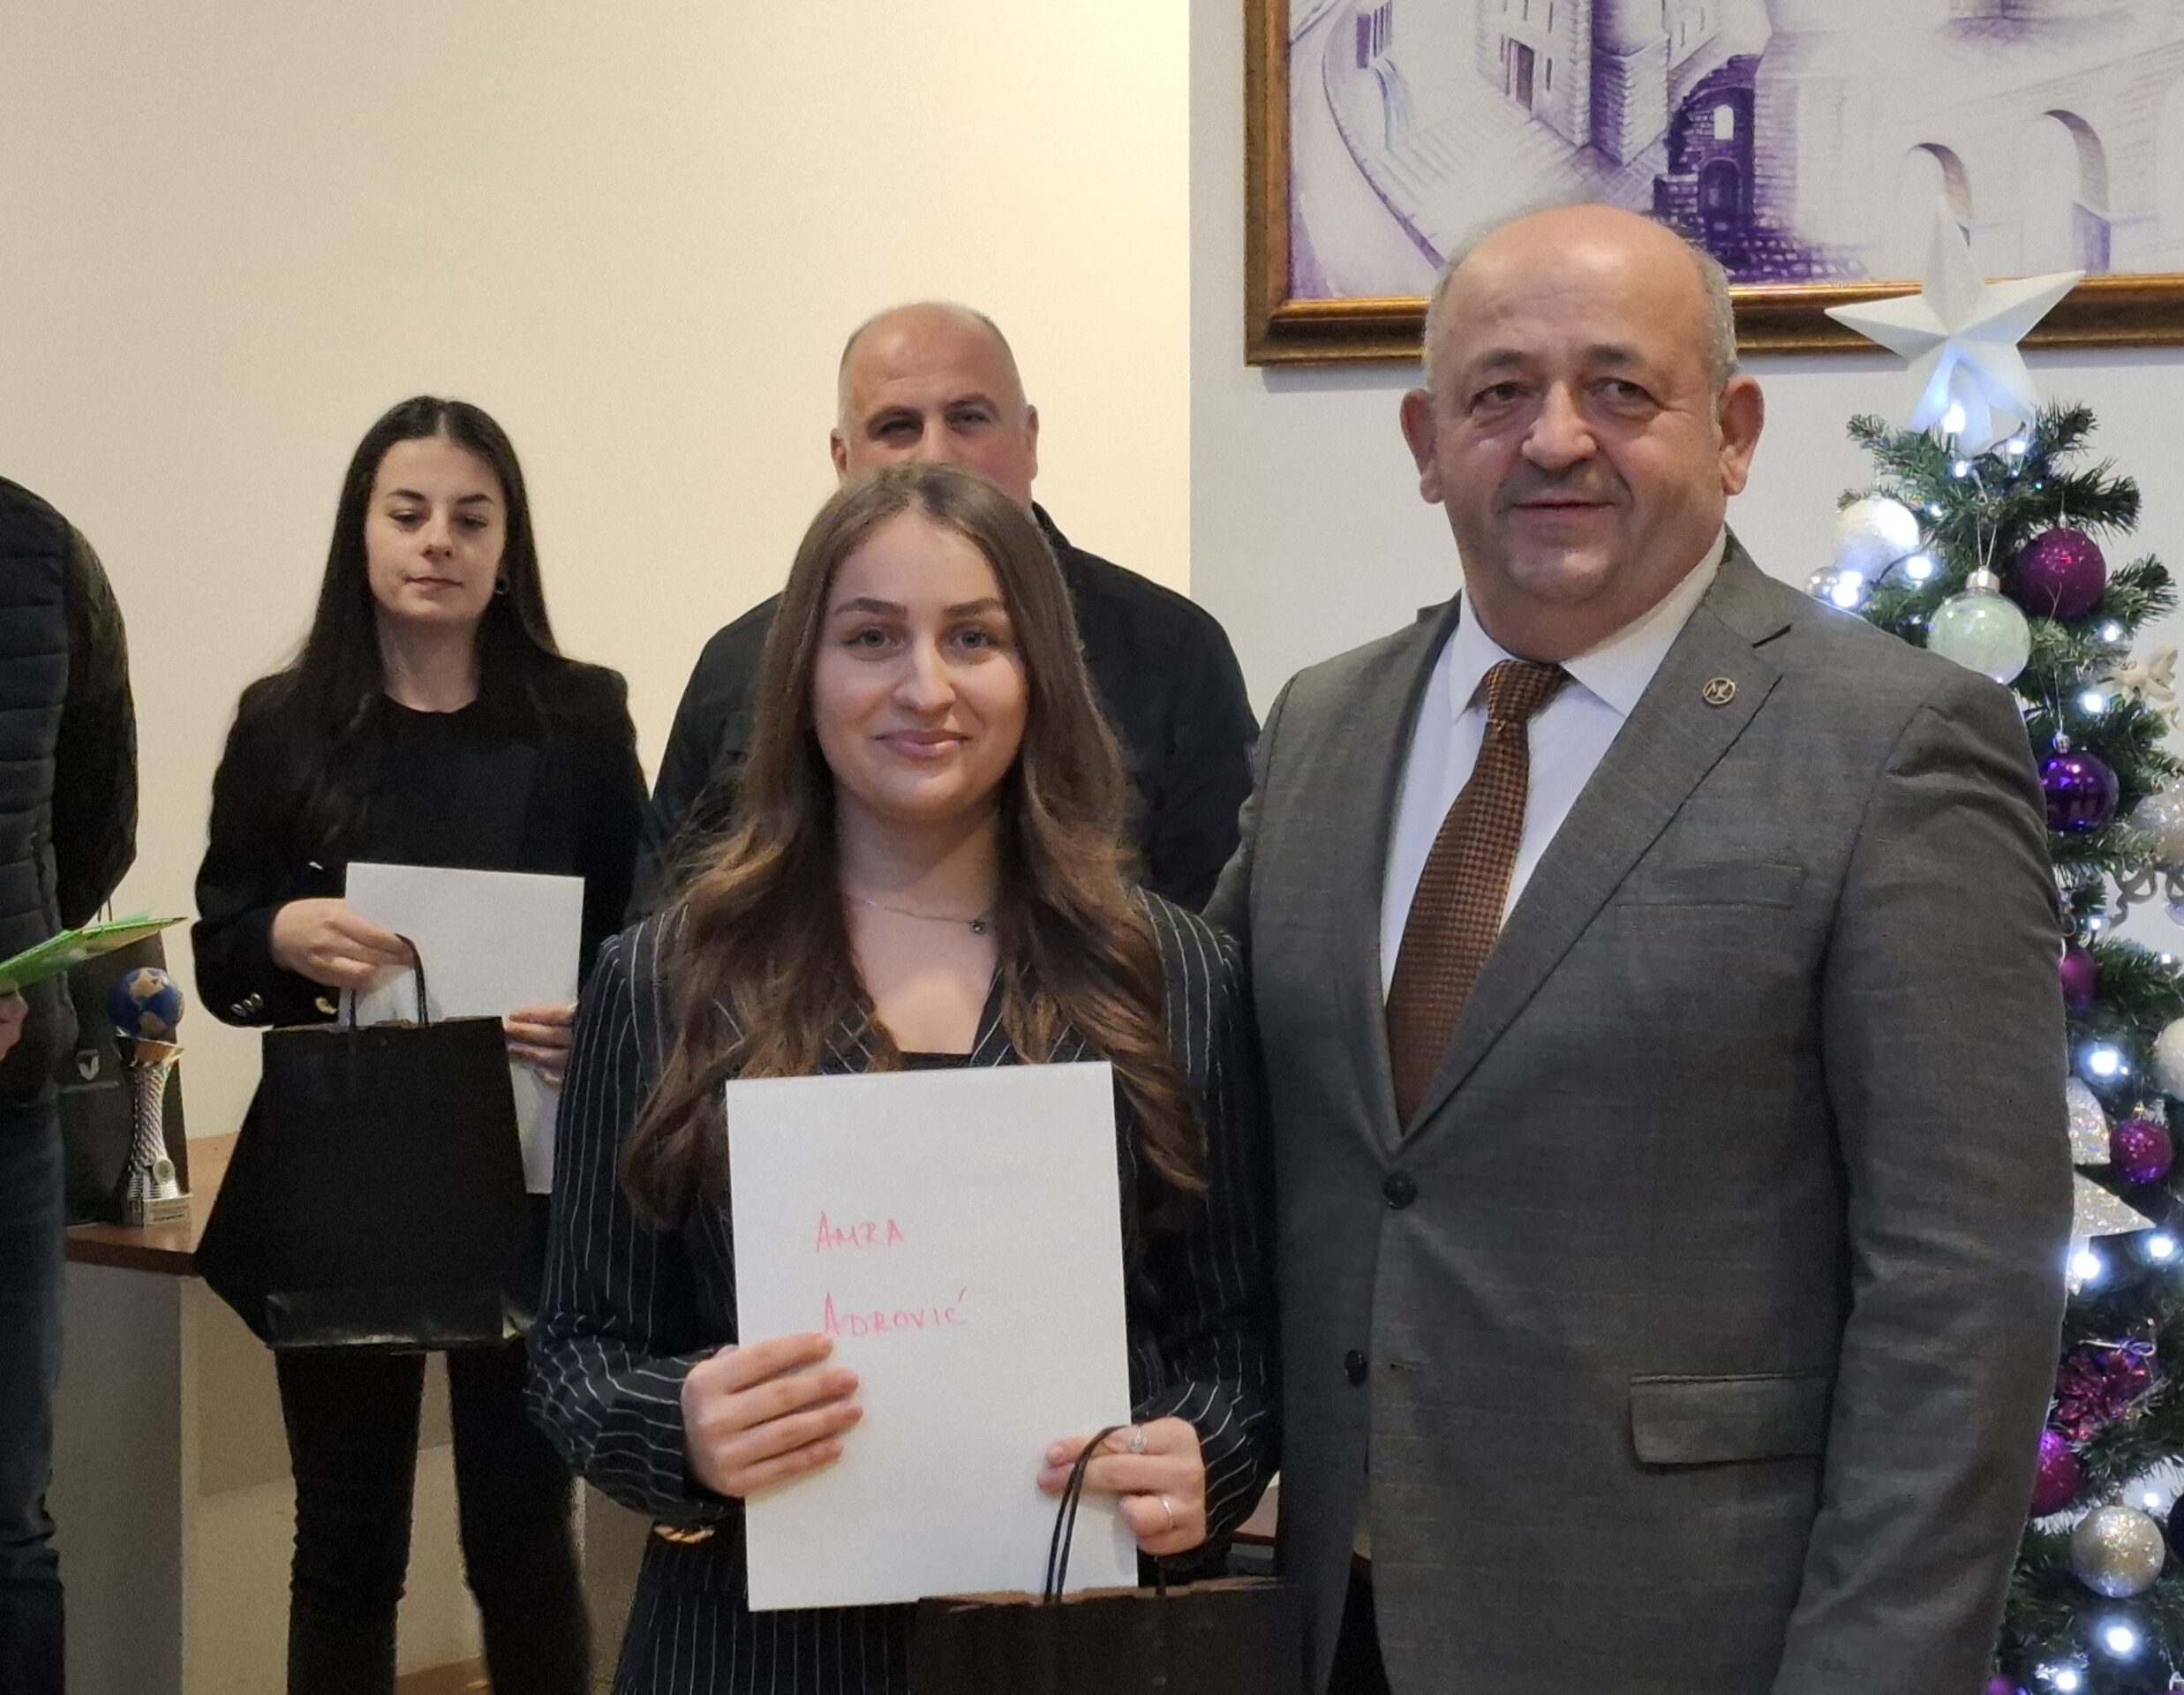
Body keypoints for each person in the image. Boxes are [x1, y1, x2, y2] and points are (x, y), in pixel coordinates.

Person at [1206, 204, 2073, 1693]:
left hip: (1691, 1639)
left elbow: (1962, 1295)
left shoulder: (1893, 745)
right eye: (1499, 393)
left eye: (1620, 388)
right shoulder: (1323, 726)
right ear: (1426, 441)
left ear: (1732, 432)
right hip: (1330, 1630)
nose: (1556, 439)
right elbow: (1199, 1117)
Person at [531, 462, 1275, 1695]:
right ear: (802, 675)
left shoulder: (1175, 974)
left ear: (1038, 672)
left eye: (973, 638)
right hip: (749, 1654)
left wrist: (1209, 1453)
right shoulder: (665, 976)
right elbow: (576, 1347)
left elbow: (1237, 1333)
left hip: (1069, 1648)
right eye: (871, 638)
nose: (924, 687)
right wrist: (682, 1428)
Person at [192, 396, 646, 1695]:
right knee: (345, 1544)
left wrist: (602, 1015)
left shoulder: (579, 718)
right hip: (347, 1172)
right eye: (409, 513)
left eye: (471, 517)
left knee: (522, 1536)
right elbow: (219, 953)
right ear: (363, 532)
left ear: (508, 546)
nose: (439, 540)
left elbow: (646, 928)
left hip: (528, 1160)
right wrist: (279, 933)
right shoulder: (284, 721)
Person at [637, 301, 1257, 915]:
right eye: (897, 427)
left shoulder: (1171, 649)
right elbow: (672, 919)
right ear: (842, 459)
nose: (936, 454)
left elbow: (1218, 929)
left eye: (968, 419)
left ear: (1029, 439)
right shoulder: (739, 662)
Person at [0, 478, 136, 1695]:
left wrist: (24, 955)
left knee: (8, 1523)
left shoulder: (43, 554)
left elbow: (98, 826)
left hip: (9, 1122)